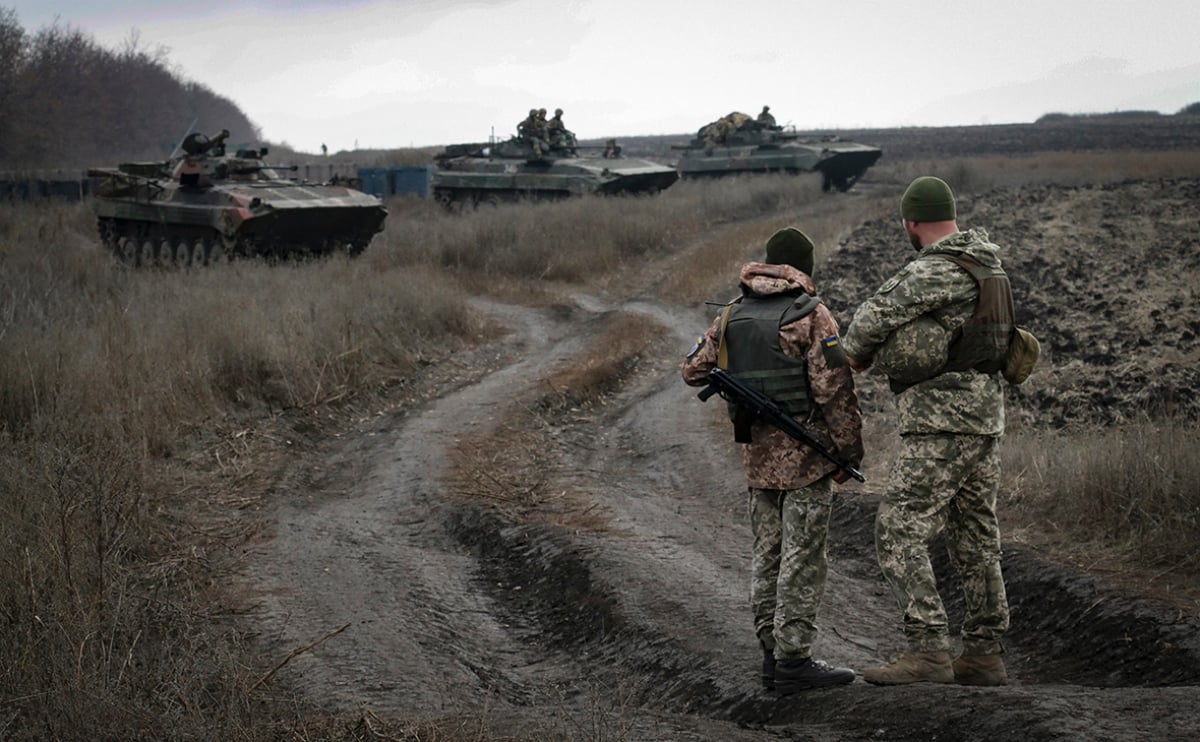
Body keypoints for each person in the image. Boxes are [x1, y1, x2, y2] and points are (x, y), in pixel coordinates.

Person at [840, 176, 1013, 687]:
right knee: (975, 535)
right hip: (984, 418)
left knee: (897, 529)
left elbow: (868, 322)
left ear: (912, 223)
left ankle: (928, 648)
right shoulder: (990, 265)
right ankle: (983, 653)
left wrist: (859, 355)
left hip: (942, 421)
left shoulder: (936, 269)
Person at [682, 227, 864, 695]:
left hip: (758, 461)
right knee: (802, 559)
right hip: (808, 460)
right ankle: (794, 660)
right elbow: (835, 390)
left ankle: (771, 654)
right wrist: (848, 450)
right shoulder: (811, 314)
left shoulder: (732, 313)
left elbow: (692, 370)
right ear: (805, 266)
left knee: (768, 556)